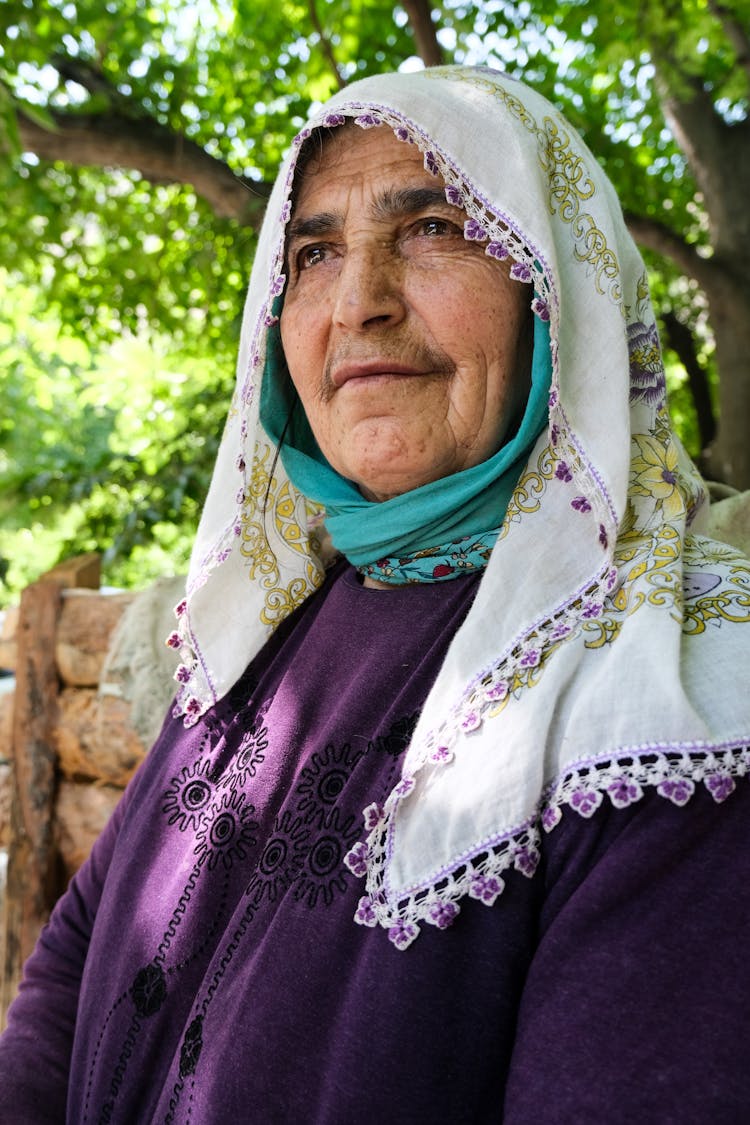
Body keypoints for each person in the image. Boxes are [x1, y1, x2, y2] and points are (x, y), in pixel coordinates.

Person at [2, 65, 750, 1124]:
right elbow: (82, 948)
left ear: (559, 288)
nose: (359, 303)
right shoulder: (264, 620)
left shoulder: (677, 697)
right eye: (312, 255)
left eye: (435, 226)